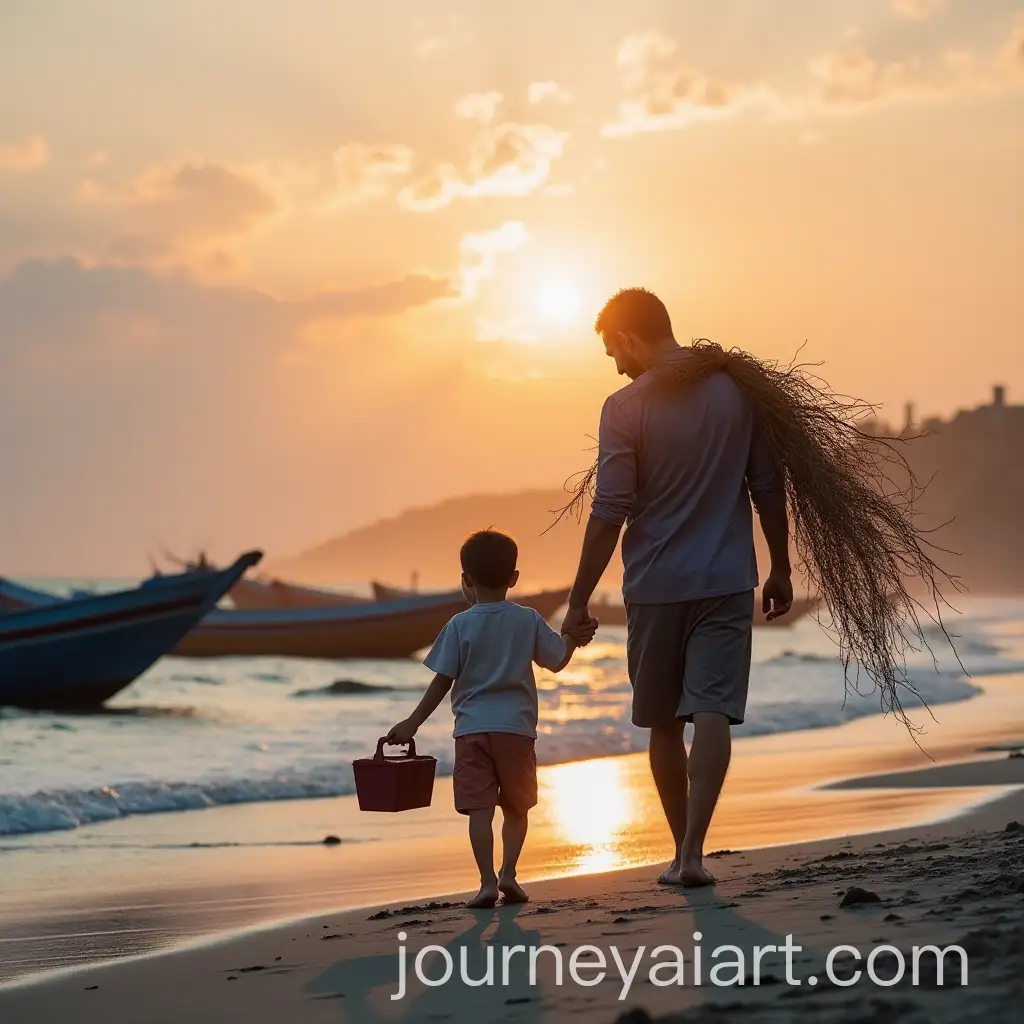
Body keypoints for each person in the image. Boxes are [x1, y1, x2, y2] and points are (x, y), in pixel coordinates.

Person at [560, 287, 792, 888]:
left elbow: (610, 508)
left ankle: (681, 856)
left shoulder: (624, 406)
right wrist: (781, 566)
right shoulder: (741, 391)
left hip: (656, 585)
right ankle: (694, 850)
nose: (616, 365)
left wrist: (580, 597)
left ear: (630, 338)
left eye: (613, 350)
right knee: (712, 709)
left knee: (663, 721)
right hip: (727, 580)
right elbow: (768, 486)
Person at [387, 529, 596, 908]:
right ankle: (509, 875)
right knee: (517, 808)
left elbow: (441, 681)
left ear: (466, 580)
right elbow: (557, 660)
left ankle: (485, 883)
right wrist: (572, 637)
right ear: (514, 578)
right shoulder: (527, 619)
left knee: (479, 810)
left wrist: (412, 723)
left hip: (471, 732)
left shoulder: (459, 625)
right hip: (516, 731)